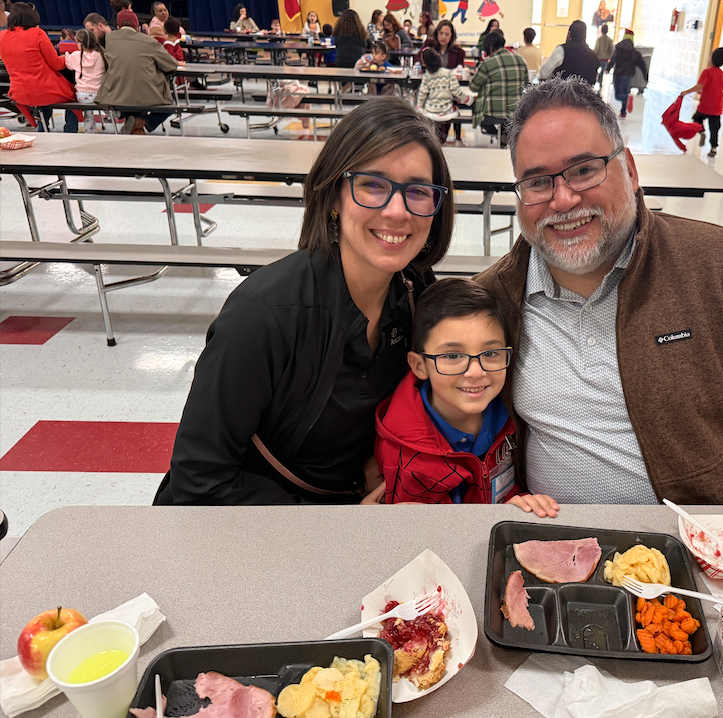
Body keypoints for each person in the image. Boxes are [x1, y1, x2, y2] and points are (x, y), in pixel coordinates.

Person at [475, 77, 723, 505]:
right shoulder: (489, 303)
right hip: (562, 551)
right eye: (538, 182)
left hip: (719, 551)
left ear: (630, 169)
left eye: (584, 170)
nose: (563, 200)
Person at [155, 97, 455, 506]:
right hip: (249, 528)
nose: (397, 211)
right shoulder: (262, 316)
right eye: (372, 185)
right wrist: (329, 522)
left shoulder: (416, 293)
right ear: (333, 195)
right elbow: (199, 481)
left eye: (418, 191)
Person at [375, 278, 559, 517]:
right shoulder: (403, 453)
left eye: (491, 353)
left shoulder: (514, 414)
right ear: (419, 366)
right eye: (452, 356)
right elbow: (416, 536)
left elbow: (509, 489)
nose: (476, 372)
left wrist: (522, 504)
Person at [96, 9, 180, 134]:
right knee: (170, 107)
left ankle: (134, 125)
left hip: (115, 94)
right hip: (147, 94)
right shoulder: (149, 41)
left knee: (130, 97)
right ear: (138, 27)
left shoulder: (110, 39)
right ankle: (141, 123)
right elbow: (171, 65)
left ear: (118, 27)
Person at [0, 3, 80, 132]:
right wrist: (68, 57)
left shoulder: (2, 36)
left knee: (43, 99)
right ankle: (70, 132)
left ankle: (42, 128)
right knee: (74, 96)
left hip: (18, 92)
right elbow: (56, 64)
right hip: (43, 89)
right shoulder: (37, 34)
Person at [469, 30, 529, 146]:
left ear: (490, 48)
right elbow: (526, 85)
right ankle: (505, 135)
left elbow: (473, 87)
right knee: (507, 115)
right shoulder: (520, 61)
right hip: (516, 112)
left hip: (492, 115)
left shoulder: (488, 63)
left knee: (475, 108)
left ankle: (498, 134)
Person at [417, 47, 473, 142]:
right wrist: (468, 99)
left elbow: (422, 93)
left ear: (425, 63)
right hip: (447, 110)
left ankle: (437, 140)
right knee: (455, 110)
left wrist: (419, 107)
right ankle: (449, 139)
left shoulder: (426, 76)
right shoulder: (448, 73)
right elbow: (456, 91)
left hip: (431, 110)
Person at [681, 46, 723, 158]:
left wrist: (687, 92)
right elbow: (715, 87)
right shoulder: (721, 73)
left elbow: (700, 85)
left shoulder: (706, 72)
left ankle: (701, 132)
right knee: (714, 128)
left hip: (705, 105)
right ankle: (713, 148)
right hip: (717, 106)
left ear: (711, 58)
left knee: (697, 119)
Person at [63, 29, 106, 133]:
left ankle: (89, 133)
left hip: (82, 95)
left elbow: (68, 65)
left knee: (87, 114)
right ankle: (114, 114)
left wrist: (67, 55)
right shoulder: (101, 56)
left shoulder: (76, 56)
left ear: (80, 44)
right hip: (99, 94)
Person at [539, 19, 599, 85]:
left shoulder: (562, 50)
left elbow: (543, 74)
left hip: (562, 93)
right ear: (585, 36)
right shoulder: (592, 55)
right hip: (584, 94)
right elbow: (593, 81)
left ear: (569, 33)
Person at [606, 34, 646, 118]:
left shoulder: (618, 50)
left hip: (618, 74)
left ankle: (626, 101)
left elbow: (613, 59)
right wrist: (646, 76)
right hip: (628, 75)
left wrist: (608, 68)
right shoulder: (634, 52)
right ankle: (623, 111)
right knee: (625, 91)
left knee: (618, 94)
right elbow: (642, 65)